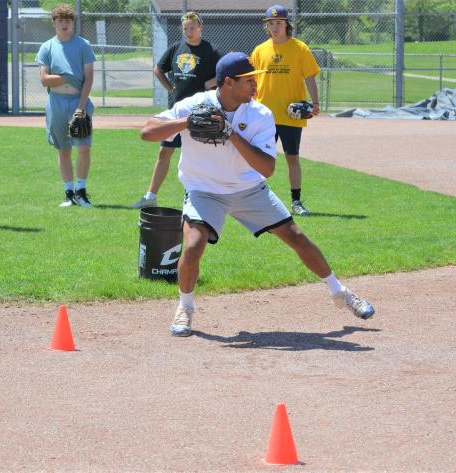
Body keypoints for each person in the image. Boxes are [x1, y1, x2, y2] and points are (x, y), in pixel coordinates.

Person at [140, 52, 375, 337]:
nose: (255, 85)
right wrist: (186, 123)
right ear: (229, 83)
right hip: (204, 190)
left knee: (297, 237)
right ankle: (185, 307)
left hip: (249, 189)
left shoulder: (260, 114)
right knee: (192, 247)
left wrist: (231, 133)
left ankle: (340, 292)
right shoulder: (196, 104)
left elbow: (267, 166)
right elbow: (148, 131)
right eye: (249, 80)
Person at [131, 11, 221, 209]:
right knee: (164, 152)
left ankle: (203, 197)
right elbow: (158, 69)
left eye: (192, 27)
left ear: (200, 27)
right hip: (177, 112)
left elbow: (224, 73)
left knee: (199, 157)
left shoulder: (210, 50)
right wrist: (170, 87)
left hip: (201, 112)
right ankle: (150, 196)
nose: (188, 32)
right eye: (185, 28)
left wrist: (210, 83)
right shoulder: (176, 48)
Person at [250, 4, 321, 217]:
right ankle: (251, 199)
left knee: (292, 158)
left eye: (278, 23)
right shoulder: (260, 50)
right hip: (264, 116)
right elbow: (251, 80)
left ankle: (296, 202)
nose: (274, 27)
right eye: (270, 23)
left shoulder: (300, 49)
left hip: (290, 115)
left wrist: (316, 103)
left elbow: (309, 77)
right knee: (258, 158)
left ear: (287, 24)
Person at [36, 3, 96, 208]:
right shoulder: (47, 47)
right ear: (53, 23)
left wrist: (81, 107)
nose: (64, 24)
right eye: (60, 20)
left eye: (68, 20)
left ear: (73, 23)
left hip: (79, 100)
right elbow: (44, 79)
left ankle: (81, 190)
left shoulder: (83, 45)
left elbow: (88, 79)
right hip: (56, 102)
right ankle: (69, 192)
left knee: (84, 147)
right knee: (63, 149)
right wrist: (67, 77)